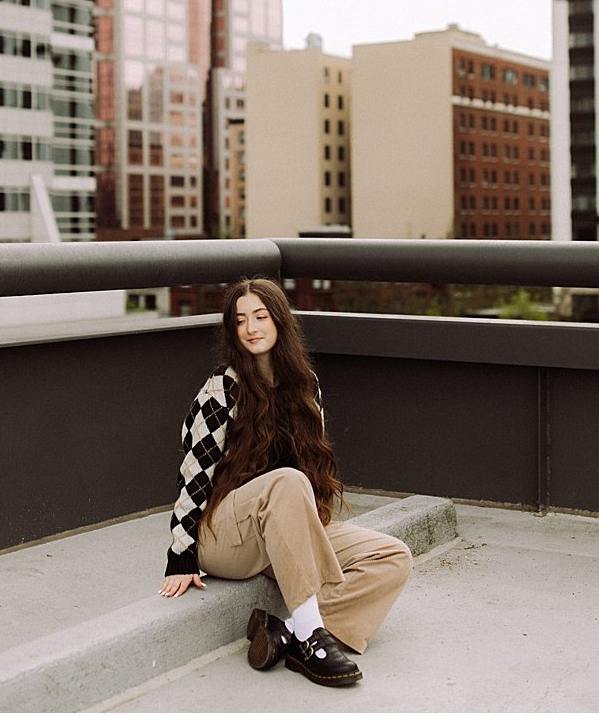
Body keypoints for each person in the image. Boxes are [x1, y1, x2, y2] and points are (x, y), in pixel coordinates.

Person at [158, 277, 412, 687]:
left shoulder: (305, 384)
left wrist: (311, 527)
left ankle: (288, 631)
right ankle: (312, 638)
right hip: (223, 534)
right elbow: (193, 476)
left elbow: (312, 467)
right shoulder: (222, 387)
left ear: (279, 321)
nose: (251, 328)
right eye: (240, 320)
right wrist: (181, 554)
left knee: (392, 556)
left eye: (260, 316)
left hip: (282, 523)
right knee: (289, 482)